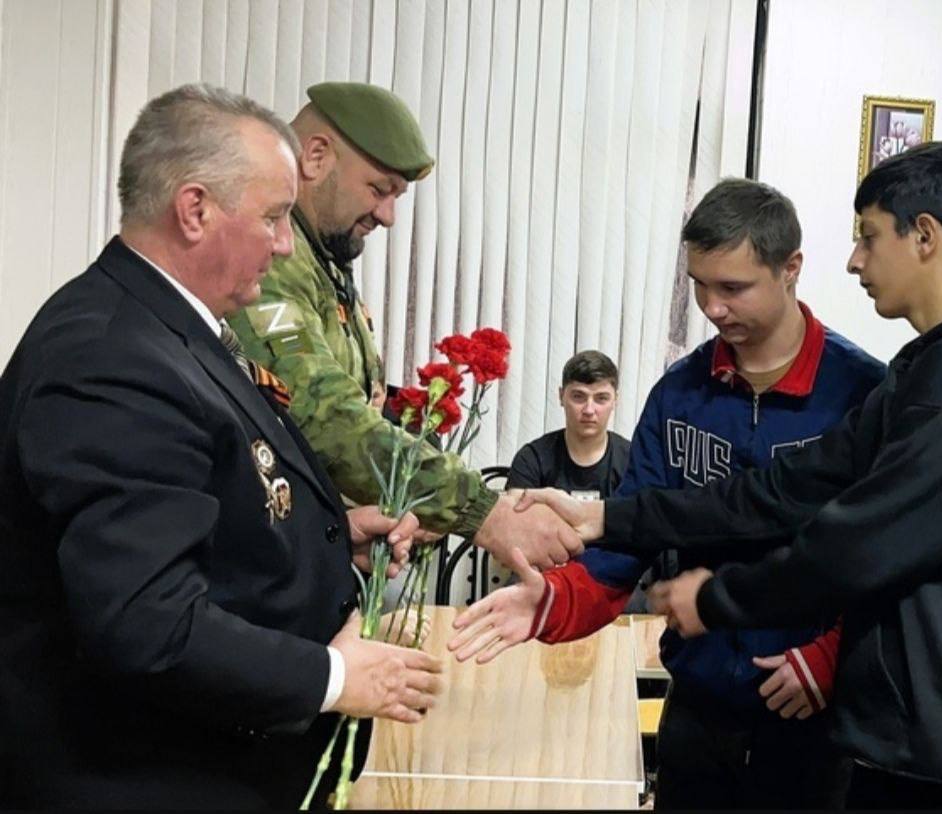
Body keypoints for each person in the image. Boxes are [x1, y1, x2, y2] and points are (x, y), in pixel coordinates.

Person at [488, 142, 942, 809]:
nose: (854, 259)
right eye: (700, 287)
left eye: (868, 236)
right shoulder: (923, 375)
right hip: (892, 748)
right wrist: (602, 519)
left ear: (924, 237)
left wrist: (718, 600)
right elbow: (781, 490)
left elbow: (858, 546)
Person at [0, 84, 448, 809]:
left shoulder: (166, 325)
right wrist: (336, 679)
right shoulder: (112, 357)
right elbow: (148, 622)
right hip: (137, 774)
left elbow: (204, 491)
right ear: (195, 209)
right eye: (272, 216)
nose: (282, 241)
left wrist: (321, 537)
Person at [451, 179, 884, 809]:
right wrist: (552, 601)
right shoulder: (680, 393)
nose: (712, 306)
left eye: (732, 287)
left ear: (790, 269)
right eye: (698, 284)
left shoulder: (862, 395)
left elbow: (887, 551)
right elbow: (630, 538)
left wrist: (829, 655)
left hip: (814, 724)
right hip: (698, 711)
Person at [227, 82, 575, 568]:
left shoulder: (322, 264)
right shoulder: (275, 266)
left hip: (316, 552)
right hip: (263, 568)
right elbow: (322, 416)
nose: (388, 216)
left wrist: (415, 484)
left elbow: (358, 399)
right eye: (378, 189)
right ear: (316, 155)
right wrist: (480, 511)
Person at [507, 350, 630, 500]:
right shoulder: (532, 458)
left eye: (601, 398)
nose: (589, 410)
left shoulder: (632, 461)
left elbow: (647, 519)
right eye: (578, 397)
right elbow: (514, 518)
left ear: (615, 400)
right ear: (561, 396)